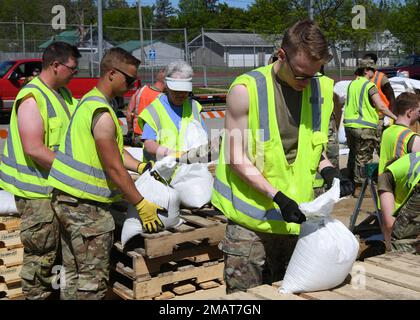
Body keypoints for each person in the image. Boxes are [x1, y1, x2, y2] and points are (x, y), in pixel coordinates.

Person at [211, 20, 354, 294]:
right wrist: (276, 196)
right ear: (281, 55)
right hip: (251, 221)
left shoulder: (322, 89)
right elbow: (235, 156)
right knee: (246, 296)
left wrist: (330, 172)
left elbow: (313, 148)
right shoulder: (246, 90)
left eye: (313, 74)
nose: (306, 82)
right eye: (300, 74)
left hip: (295, 218)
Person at [47, 48, 164, 300]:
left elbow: (115, 152)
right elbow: (113, 167)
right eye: (130, 80)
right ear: (112, 73)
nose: (133, 86)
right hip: (86, 208)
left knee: (72, 274)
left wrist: (141, 166)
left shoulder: (89, 102)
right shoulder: (102, 113)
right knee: (92, 282)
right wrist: (141, 203)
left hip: (67, 201)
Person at [0, 42, 80, 299]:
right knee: (41, 257)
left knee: (58, 253)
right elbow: (34, 148)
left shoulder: (64, 94)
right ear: (56, 65)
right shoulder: (33, 97)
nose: (74, 74)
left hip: (56, 188)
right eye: (72, 69)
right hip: (36, 193)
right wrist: (76, 172)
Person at [344, 59, 397, 192]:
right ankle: (360, 188)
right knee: (364, 157)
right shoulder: (369, 86)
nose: (374, 72)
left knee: (354, 153)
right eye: (372, 69)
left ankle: (349, 181)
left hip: (350, 125)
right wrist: (395, 117)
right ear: (366, 70)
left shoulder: (352, 84)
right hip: (364, 127)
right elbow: (381, 106)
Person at [139, 60, 206, 161]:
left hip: (189, 169)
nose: (180, 94)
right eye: (176, 91)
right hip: (161, 172)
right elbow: (149, 144)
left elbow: (203, 137)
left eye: (184, 91)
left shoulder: (194, 107)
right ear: (166, 86)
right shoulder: (154, 110)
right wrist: (173, 154)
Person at [378, 152, 420, 254]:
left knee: (402, 239)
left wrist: (389, 246)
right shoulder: (411, 160)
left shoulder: (385, 176)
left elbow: (389, 224)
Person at [378, 92, 420, 174]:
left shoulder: (387, 131)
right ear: (410, 112)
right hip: (402, 186)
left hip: (384, 183)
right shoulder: (412, 138)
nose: (419, 115)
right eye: (419, 111)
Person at [363, 53, 396, 155]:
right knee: (365, 151)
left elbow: (391, 95)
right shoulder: (360, 77)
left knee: (381, 148)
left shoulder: (380, 77)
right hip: (366, 118)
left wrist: (390, 115)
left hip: (380, 118)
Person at [126, 69, 166, 146]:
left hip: (137, 135)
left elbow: (128, 113)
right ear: (165, 82)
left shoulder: (140, 90)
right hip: (152, 138)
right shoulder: (162, 98)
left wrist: (130, 131)